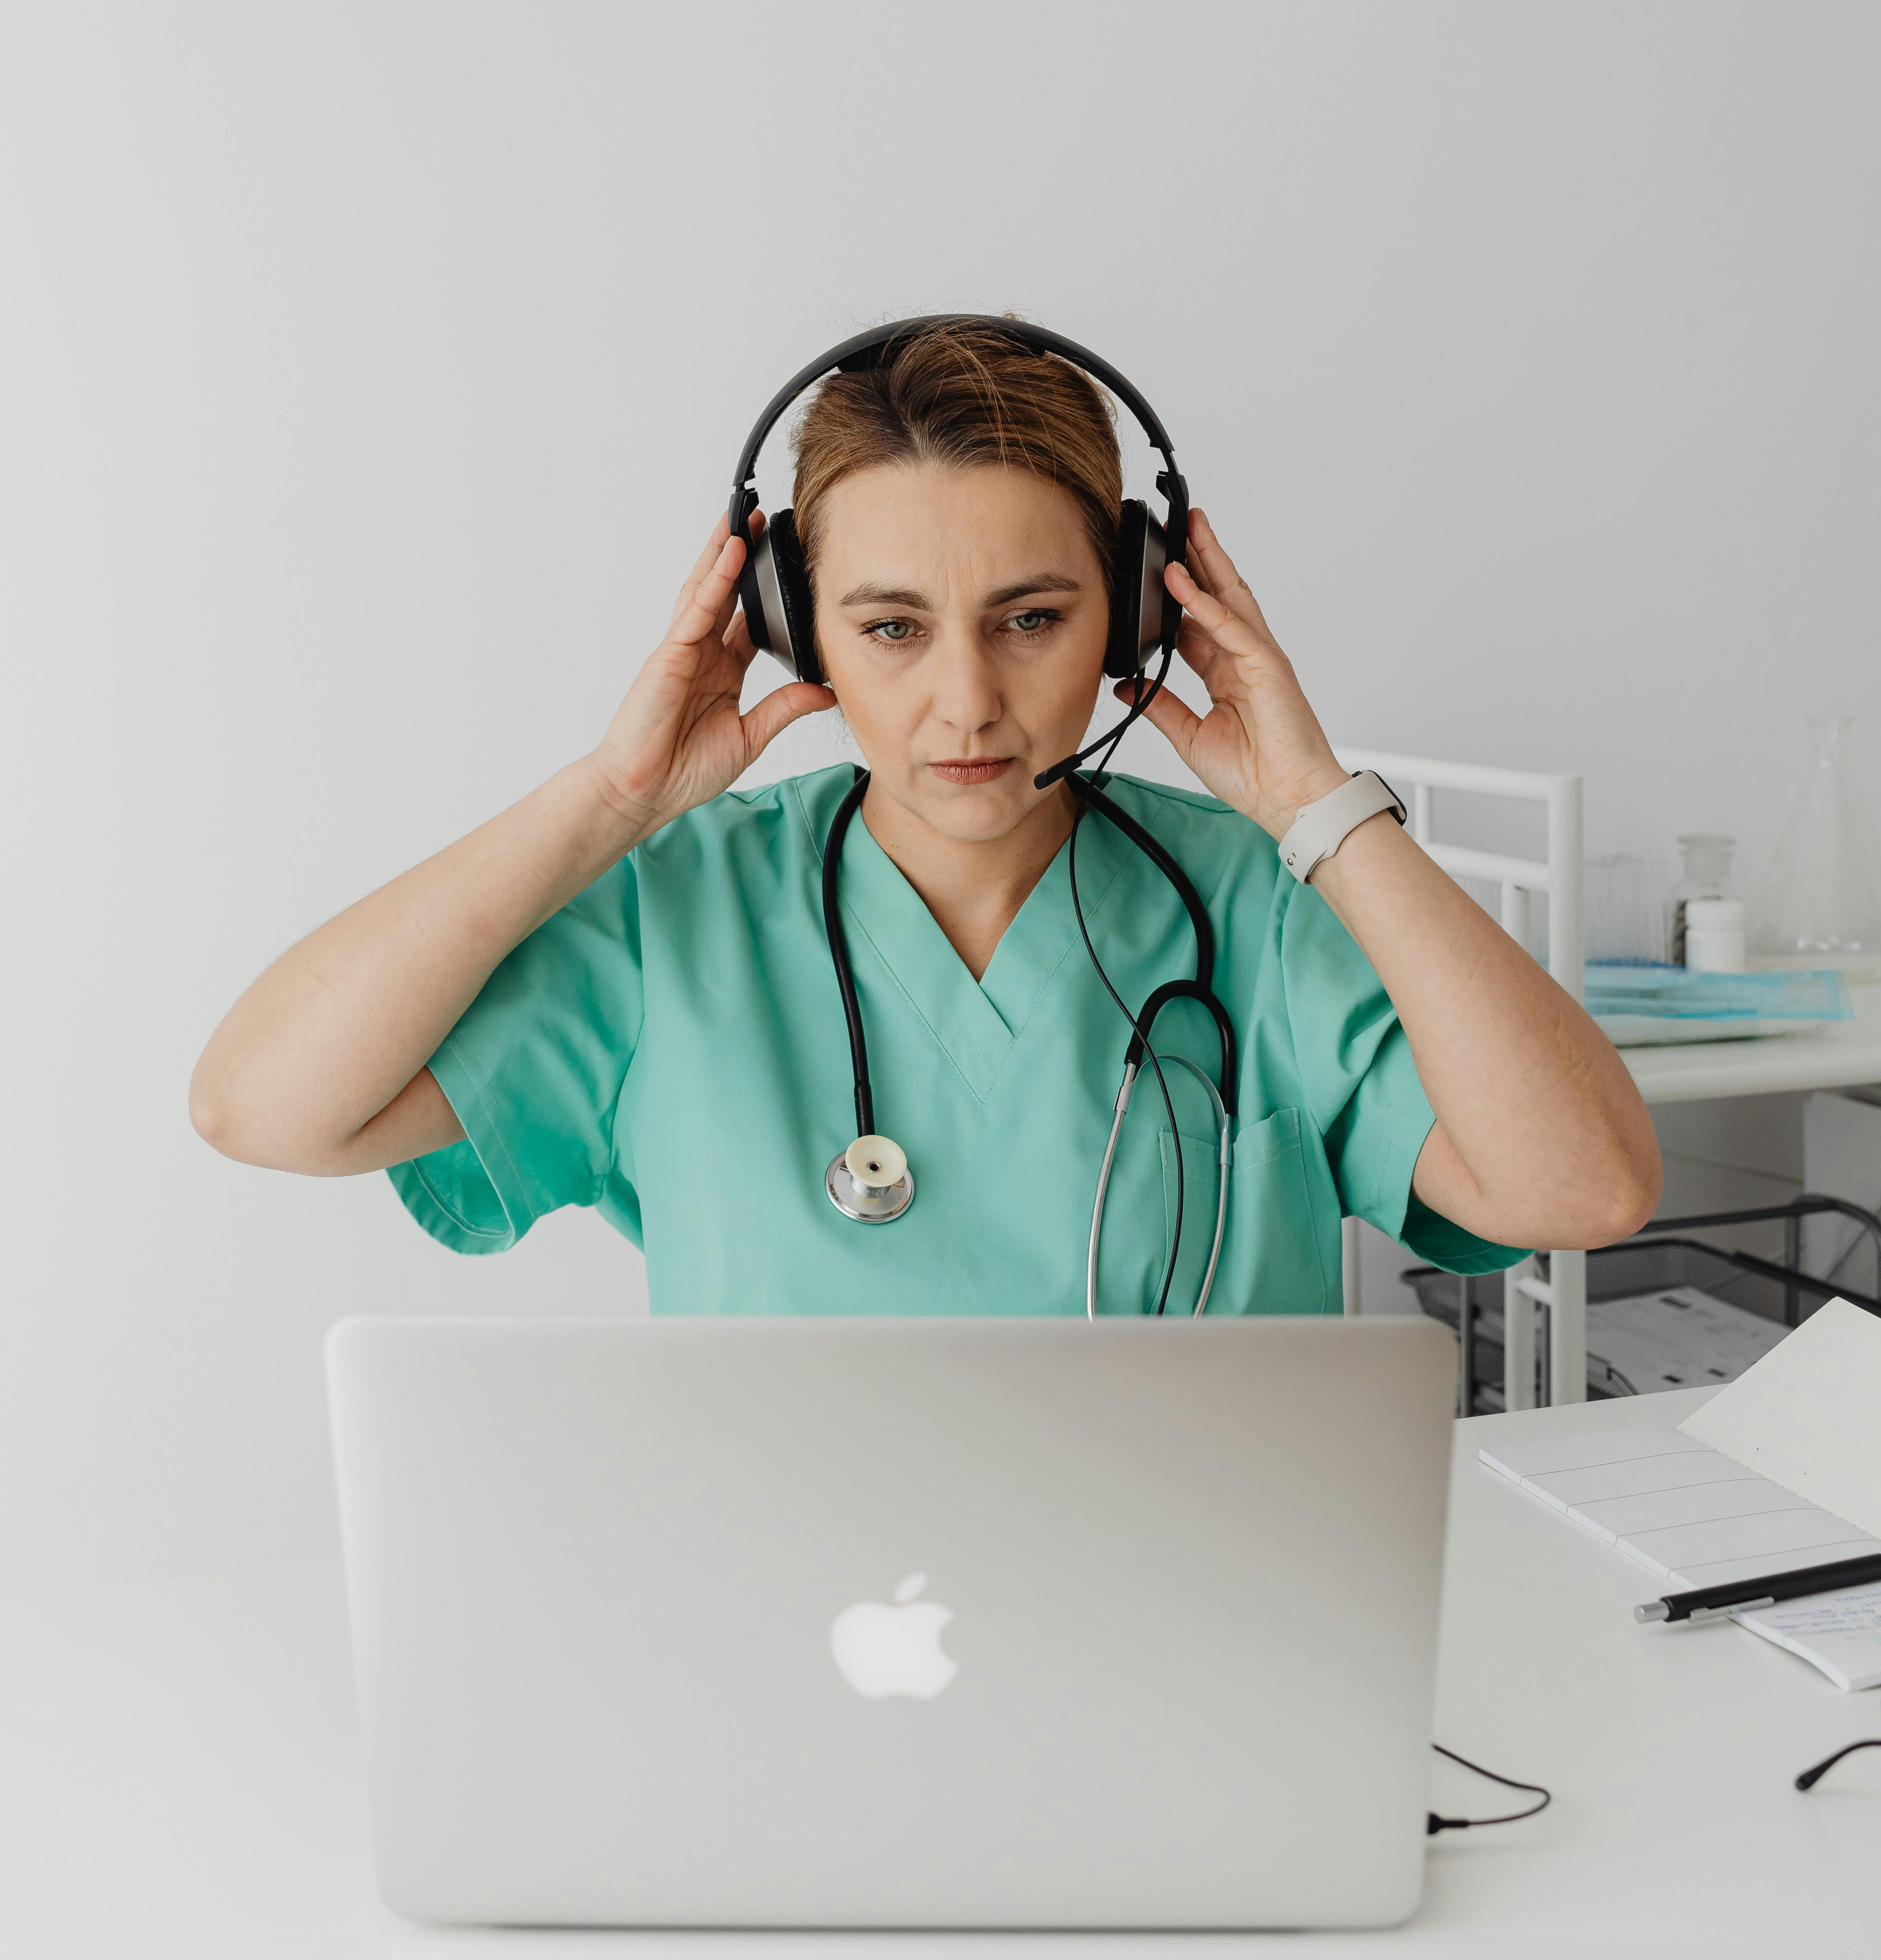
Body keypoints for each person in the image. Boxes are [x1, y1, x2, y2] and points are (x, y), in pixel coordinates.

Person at [190, 317, 1660, 1316]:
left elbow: (1584, 1188)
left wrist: (1322, 809)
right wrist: (609, 800)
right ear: (793, 629)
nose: (966, 703)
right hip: (787, 1667)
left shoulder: (1267, 907)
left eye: (1031, 618)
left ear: (1138, 617)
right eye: (891, 629)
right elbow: (261, 1108)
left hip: (1203, 1651)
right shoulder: (671, 916)